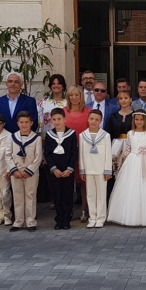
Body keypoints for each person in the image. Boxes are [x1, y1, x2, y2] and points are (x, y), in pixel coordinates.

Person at [107, 111, 146, 227]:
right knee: (132, 187)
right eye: (137, 120)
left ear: (145, 121)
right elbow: (126, 151)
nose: (139, 122)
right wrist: (123, 167)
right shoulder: (130, 133)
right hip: (133, 162)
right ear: (134, 121)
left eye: (141, 120)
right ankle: (130, 215)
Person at [6, 111, 43, 232]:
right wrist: (14, 170)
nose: (24, 124)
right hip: (16, 172)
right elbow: (8, 155)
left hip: (31, 172)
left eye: (27, 122)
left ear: (31, 123)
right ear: (17, 123)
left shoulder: (36, 138)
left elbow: (38, 157)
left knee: (30, 196)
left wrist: (29, 170)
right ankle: (18, 221)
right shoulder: (12, 137)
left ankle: (31, 221)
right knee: (17, 197)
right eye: (21, 122)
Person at [45, 108, 78, 230]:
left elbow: (74, 153)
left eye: (59, 119)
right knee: (57, 195)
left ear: (65, 119)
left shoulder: (71, 134)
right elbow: (47, 153)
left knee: (67, 195)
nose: (57, 122)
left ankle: (66, 219)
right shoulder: (49, 135)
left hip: (67, 171)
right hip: (55, 171)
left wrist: (69, 169)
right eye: (54, 119)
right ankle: (59, 219)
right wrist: (54, 169)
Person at [79, 110, 112, 229]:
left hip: (101, 170)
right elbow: (81, 154)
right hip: (88, 169)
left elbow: (108, 153)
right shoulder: (82, 135)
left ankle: (101, 218)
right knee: (91, 194)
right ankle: (92, 217)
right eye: (92, 119)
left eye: (97, 120)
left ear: (100, 121)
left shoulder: (105, 135)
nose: (94, 122)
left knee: (101, 194)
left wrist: (108, 170)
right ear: (88, 119)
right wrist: (82, 169)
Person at [64, 85, 92, 221]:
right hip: (67, 152)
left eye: (77, 95)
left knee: (84, 182)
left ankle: (84, 211)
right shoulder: (63, 112)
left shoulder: (88, 112)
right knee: (68, 182)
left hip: (84, 150)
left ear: (81, 96)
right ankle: (67, 211)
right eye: (71, 95)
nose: (74, 98)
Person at [106, 91, 134, 176]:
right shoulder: (113, 116)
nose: (123, 100)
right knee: (115, 167)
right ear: (118, 101)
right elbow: (108, 133)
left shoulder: (135, 116)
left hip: (130, 145)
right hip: (115, 144)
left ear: (130, 100)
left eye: (126, 98)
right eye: (121, 98)